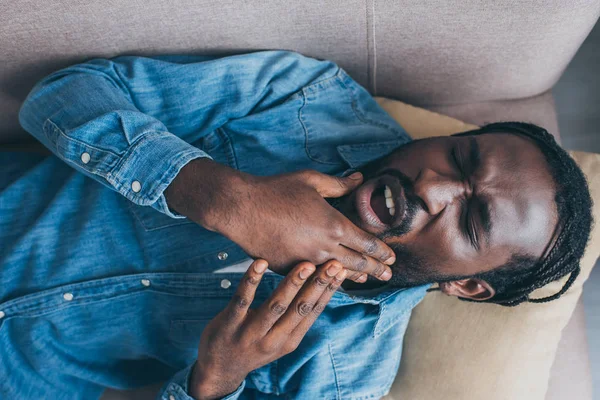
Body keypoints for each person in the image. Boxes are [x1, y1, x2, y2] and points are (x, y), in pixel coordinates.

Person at [1, 51, 591, 399]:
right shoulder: (307, 101)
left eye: (473, 219)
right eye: (460, 159)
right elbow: (61, 94)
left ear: (467, 284)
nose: (431, 187)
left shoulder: (344, 376)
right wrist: (216, 193)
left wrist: (217, 378)